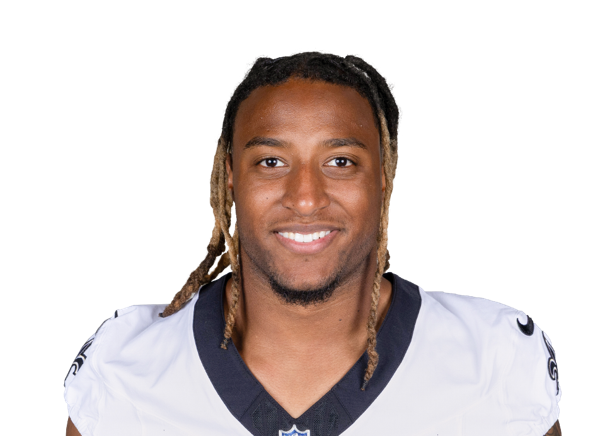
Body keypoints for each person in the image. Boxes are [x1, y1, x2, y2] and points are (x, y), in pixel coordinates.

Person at [64, 51, 562, 436]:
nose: (305, 198)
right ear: (230, 176)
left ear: (384, 175)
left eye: (340, 162)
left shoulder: (493, 359)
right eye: (271, 162)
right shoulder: (125, 366)